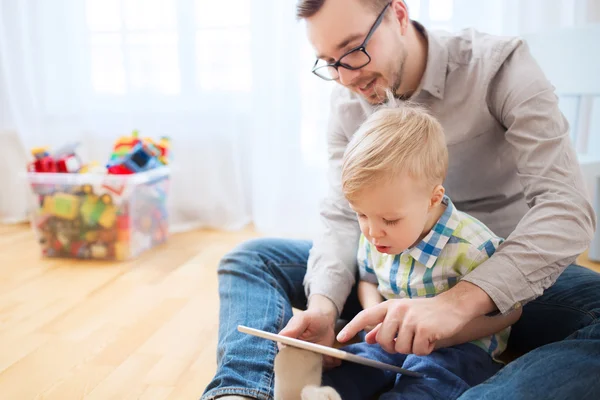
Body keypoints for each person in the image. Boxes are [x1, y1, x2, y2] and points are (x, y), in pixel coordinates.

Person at [201, 1, 599, 399]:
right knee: (252, 257)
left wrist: (458, 303)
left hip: (501, 270)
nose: (345, 76)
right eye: (329, 62)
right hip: (395, 265)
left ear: (399, 15)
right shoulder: (346, 100)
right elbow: (342, 215)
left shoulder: (498, 67)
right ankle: (246, 392)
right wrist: (323, 306)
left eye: (354, 49)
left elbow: (566, 209)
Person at [303, 102, 522, 399]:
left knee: (431, 379)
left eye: (390, 219)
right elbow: (367, 279)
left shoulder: (473, 246)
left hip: (459, 349)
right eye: (361, 214)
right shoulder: (373, 234)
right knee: (354, 365)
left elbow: (511, 311)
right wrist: (375, 318)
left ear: (433, 199)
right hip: (391, 340)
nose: (372, 231)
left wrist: (443, 336)